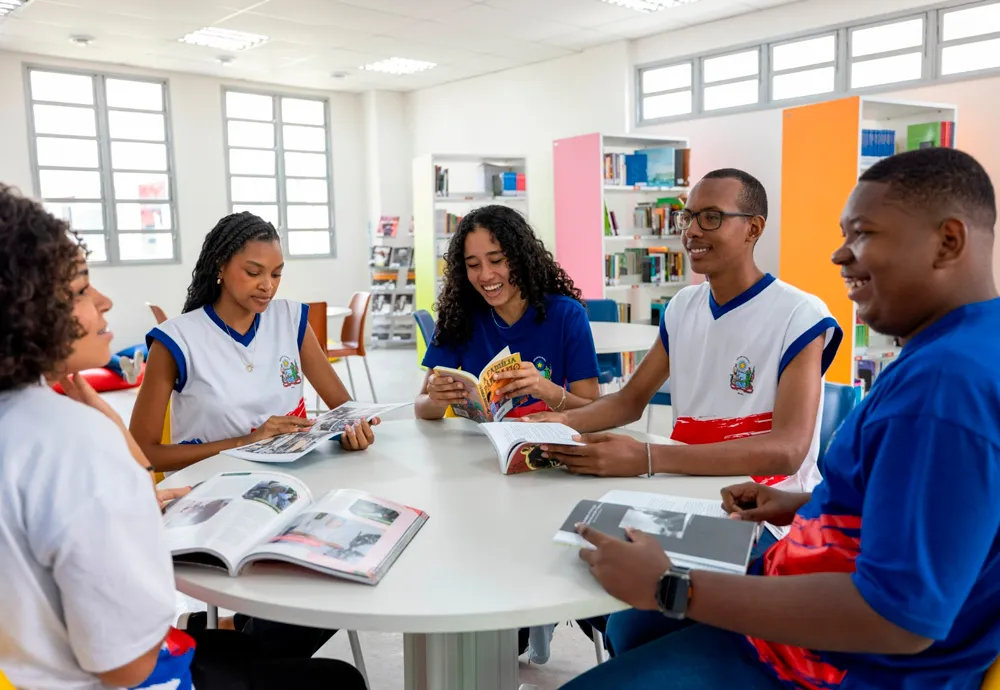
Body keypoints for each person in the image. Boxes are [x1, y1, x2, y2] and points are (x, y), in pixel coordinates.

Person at [561, 147, 1000, 690]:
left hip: (833, 667)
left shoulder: (945, 386)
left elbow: (898, 618)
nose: (840, 254)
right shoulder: (958, 349)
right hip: (802, 568)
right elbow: (920, 509)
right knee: (631, 625)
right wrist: (801, 504)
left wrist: (673, 586)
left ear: (948, 241)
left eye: (862, 234)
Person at [0, 185, 366, 690]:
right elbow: (126, 661)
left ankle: (236, 635)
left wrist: (120, 461)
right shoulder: (74, 439)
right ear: (28, 305)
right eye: (84, 288)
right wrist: (132, 498)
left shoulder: (52, 428)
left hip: (283, 488)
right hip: (129, 655)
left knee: (302, 609)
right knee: (335, 674)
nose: (106, 301)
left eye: (276, 273)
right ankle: (236, 635)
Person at [533, 169, 841, 493]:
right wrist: (560, 422)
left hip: (767, 507)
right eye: (688, 217)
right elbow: (629, 401)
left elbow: (788, 451)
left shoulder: (800, 315)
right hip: (686, 489)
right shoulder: (682, 306)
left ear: (754, 228)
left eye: (711, 217)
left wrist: (650, 458)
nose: (692, 231)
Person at [130, 210, 377, 474]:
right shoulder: (176, 341)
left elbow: (343, 409)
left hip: (293, 482)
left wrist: (350, 433)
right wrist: (244, 443)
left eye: (276, 274)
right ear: (220, 265)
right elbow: (142, 452)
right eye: (253, 272)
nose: (267, 286)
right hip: (212, 492)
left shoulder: (291, 321)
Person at [416, 204, 600, 421]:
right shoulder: (459, 315)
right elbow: (421, 407)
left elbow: (593, 411)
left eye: (496, 261)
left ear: (521, 259)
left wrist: (546, 389)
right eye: (473, 265)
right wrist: (436, 400)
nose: (485, 275)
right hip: (477, 446)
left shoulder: (567, 315)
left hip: (547, 446)